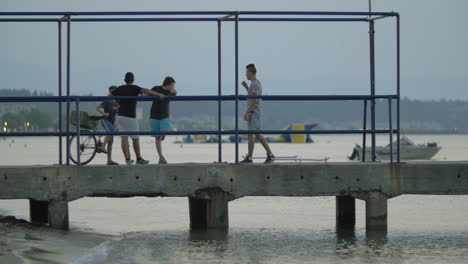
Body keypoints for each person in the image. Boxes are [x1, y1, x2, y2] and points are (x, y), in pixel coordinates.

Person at [112, 72, 167, 165]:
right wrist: (158, 94)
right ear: (133, 80)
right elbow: (147, 91)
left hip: (120, 116)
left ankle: (128, 160)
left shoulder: (120, 88)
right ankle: (139, 158)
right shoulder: (135, 88)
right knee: (135, 139)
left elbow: (109, 96)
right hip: (130, 116)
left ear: (125, 80)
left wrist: (117, 105)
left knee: (124, 138)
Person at [240, 64, 275, 164]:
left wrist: (247, 113)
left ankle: (251, 158)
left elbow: (254, 101)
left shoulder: (255, 84)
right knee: (257, 135)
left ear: (251, 73)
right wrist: (246, 87)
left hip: (254, 113)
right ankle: (269, 154)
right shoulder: (254, 83)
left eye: (247, 72)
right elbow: (252, 96)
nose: (246, 74)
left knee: (252, 135)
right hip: (254, 113)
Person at [149, 77, 177, 164]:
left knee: (164, 131)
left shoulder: (170, 92)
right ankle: (161, 156)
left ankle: (163, 134)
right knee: (157, 138)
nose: (173, 87)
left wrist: (174, 91)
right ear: (168, 84)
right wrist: (157, 94)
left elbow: (175, 92)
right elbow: (147, 92)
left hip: (164, 115)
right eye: (172, 85)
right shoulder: (156, 88)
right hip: (154, 115)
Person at [96, 86, 120, 165]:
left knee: (111, 142)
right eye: (111, 92)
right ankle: (103, 146)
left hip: (112, 121)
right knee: (111, 131)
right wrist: (103, 113)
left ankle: (109, 160)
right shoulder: (107, 100)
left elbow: (120, 108)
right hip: (105, 120)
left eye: (114, 92)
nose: (112, 94)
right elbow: (98, 108)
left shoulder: (118, 99)